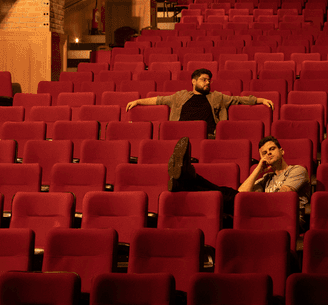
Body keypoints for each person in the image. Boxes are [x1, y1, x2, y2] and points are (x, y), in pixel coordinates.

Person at [168, 136, 310, 213]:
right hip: (266, 213)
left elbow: (284, 196)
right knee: (225, 194)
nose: (268, 153)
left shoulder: (297, 170)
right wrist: (258, 169)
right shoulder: (267, 178)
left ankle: (190, 178)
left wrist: (256, 200)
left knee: (228, 196)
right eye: (264, 153)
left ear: (282, 151)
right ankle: (188, 181)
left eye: (272, 149)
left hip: (286, 215)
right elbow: (241, 194)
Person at [125, 68, 274, 139]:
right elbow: (159, 100)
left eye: (209, 80)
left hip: (207, 137)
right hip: (180, 137)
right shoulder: (180, 96)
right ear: (193, 81)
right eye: (204, 80)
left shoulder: (217, 97)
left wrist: (261, 100)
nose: (207, 82)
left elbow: (239, 99)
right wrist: (138, 101)